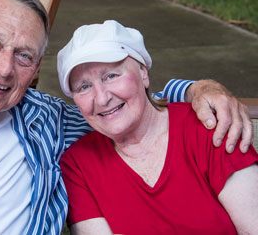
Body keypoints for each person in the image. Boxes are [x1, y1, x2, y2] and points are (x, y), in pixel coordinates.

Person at [0, 0, 252, 235]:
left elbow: (130, 112)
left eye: (23, 55)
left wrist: (198, 89)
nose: (4, 68)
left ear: (37, 69)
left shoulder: (45, 118)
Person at [58, 20, 258, 235]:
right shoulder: (77, 165)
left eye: (111, 76)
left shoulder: (207, 126)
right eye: (84, 87)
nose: (102, 97)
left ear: (143, 73)